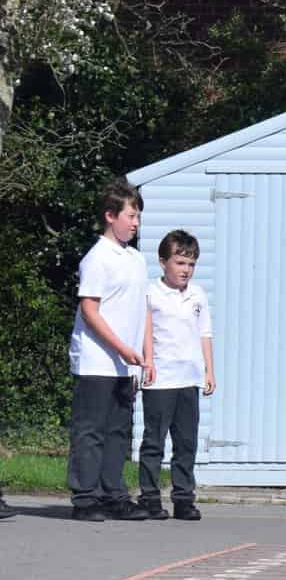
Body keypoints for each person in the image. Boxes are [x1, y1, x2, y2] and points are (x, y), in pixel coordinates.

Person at [67, 178, 151, 523]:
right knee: (90, 431)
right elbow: (90, 311)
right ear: (110, 216)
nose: (135, 223)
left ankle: (114, 495)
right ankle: (85, 499)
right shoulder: (97, 258)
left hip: (126, 364)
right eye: (130, 216)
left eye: (138, 216)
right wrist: (122, 348)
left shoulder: (136, 259)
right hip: (96, 361)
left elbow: (143, 309)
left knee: (118, 431)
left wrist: (146, 356)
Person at [138, 229, 215, 521]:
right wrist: (147, 363)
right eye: (180, 263)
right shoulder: (151, 293)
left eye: (191, 264)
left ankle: (183, 498)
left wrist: (209, 370)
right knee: (154, 441)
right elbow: (145, 331)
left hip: (189, 378)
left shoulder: (197, 295)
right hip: (161, 378)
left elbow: (204, 333)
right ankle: (149, 497)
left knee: (186, 443)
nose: (186, 270)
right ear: (163, 262)